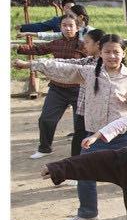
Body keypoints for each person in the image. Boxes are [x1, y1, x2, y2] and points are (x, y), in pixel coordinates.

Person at [16, 34, 127, 220]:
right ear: (100, 53)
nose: (112, 56)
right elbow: (61, 67)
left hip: (125, 137)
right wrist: (31, 65)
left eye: (116, 52)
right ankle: (87, 212)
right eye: (107, 52)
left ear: (123, 53)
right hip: (94, 137)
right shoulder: (89, 73)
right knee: (84, 172)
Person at [15, 15, 87, 159]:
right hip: (57, 88)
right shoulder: (56, 43)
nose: (67, 28)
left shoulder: (83, 45)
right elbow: (38, 49)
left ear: (77, 27)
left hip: (79, 90)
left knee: (80, 126)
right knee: (46, 119)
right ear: (60, 27)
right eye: (64, 25)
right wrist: (18, 48)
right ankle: (45, 148)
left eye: (70, 25)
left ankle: (80, 158)